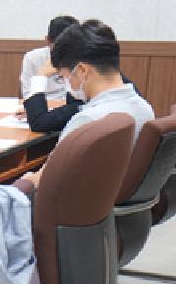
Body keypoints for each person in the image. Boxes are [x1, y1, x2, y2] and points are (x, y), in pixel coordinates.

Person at [21, 19, 154, 188]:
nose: (67, 84)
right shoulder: (144, 108)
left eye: (64, 77)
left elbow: (46, 180)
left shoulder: (87, 120)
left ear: (82, 70)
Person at [20, 15, 78, 101]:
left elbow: (84, 97)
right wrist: (42, 75)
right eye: (59, 47)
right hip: (43, 104)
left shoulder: (83, 59)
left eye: (69, 47)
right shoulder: (32, 58)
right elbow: (27, 96)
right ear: (47, 40)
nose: (64, 52)